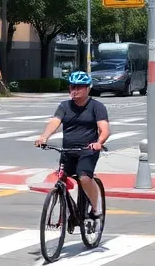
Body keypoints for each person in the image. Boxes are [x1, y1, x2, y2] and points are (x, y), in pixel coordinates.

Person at [35, 71, 109, 219]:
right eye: (72, 87)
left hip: (87, 151)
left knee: (84, 178)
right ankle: (67, 205)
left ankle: (96, 207)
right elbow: (55, 122)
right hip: (68, 150)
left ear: (88, 88)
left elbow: (104, 129)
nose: (74, 91)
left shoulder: (96, 106)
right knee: (62, 178)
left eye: (79, 87)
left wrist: (99, 142)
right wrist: (44, 137)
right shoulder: (64, 106)